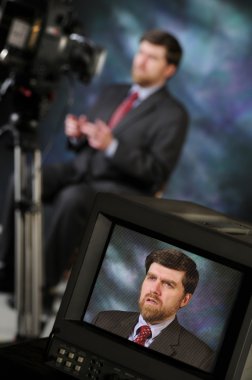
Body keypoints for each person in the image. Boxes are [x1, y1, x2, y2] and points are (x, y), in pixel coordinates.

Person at [0, 29, 189, 298]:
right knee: (24, 178)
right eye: (141, 52)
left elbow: (156, 171)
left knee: (72, 197)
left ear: (169, 69)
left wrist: (112, 145)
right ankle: (8, 270)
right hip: (82, 170)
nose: (141, 61)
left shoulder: (174, 114)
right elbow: (90, 140)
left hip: (123, 188)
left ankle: (40, 284)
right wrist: (77, 134)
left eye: (152, 58)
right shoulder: (114, 92)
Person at [92, 248, 215, 372]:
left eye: (168, 284)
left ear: (184, 300)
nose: (154, 290)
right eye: (151, 278)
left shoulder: (200, 358)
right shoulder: (103, 320)